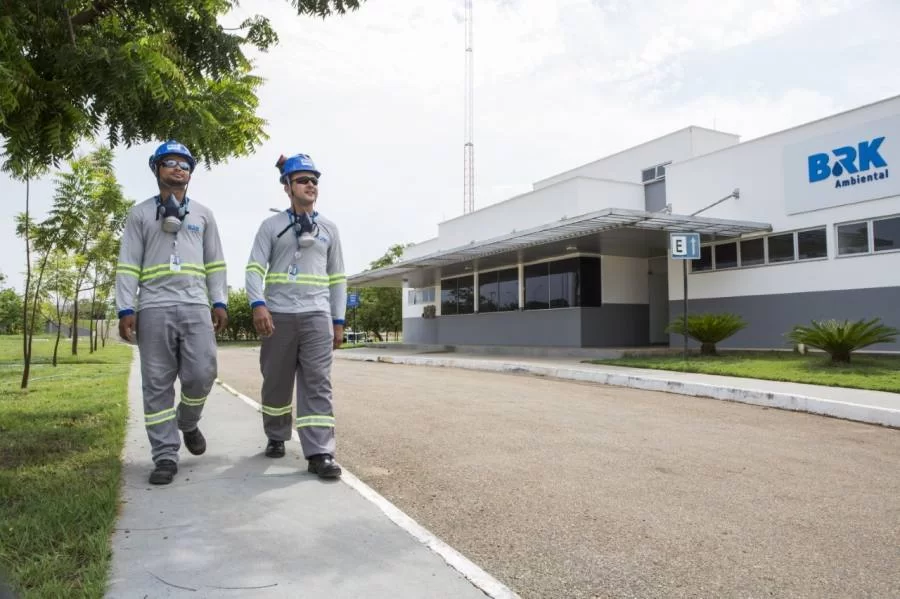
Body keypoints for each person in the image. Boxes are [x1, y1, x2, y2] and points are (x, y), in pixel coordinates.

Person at [115, 140, 228, 485]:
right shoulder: (139, 214)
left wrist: (219, 301)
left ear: (190, 173)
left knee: (202, 373)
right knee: (157, 385)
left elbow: (216, 262)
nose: (179, 168)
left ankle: (189, 421)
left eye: (185, 164)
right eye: (171, 162)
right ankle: (165, 455)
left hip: (195, 305)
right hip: (153, 307)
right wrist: (125, 307)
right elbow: (128, 264)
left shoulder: (204, 214)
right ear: (156, 169)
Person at [245, 153, 347, 479]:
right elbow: (254, 268)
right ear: (287, 186)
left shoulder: (328, 229)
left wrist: (338, 320)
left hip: (317, 315)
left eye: (314, 180)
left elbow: (337, 277)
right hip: (279, 315)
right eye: (303, 180)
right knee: (276, 382)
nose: (311, 185)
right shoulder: (271, 227)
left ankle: (320, 453)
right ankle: (276, 434)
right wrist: (257, 304)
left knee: (318, 383)